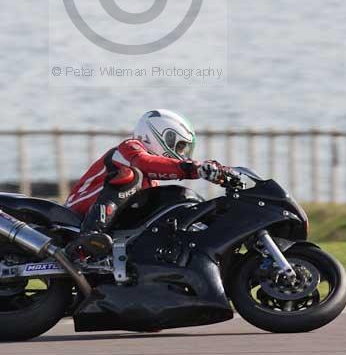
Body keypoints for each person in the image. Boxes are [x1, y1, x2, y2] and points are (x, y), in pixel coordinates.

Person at [65, 109, 236, 258]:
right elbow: (145, 162)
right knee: (131, 177)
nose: (182, 154)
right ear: (161, 135)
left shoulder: (151, 181)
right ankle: (89, 235)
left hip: (109, 221)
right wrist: (194, 168)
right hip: (78, 209)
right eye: (180, 147)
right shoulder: (129, 147)